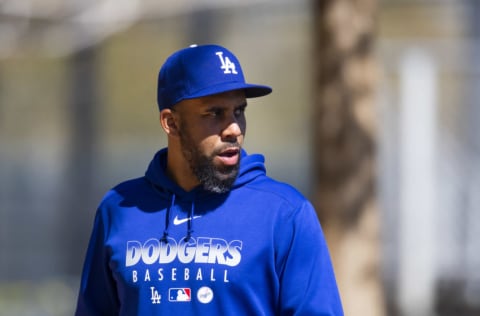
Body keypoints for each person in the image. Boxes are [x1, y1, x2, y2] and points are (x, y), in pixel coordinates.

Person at [75, 44, 343, 315]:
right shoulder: (119, 208)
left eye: (239, 111)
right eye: (215, 114)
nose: (234, 129)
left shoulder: (285, 213)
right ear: (171, 123)